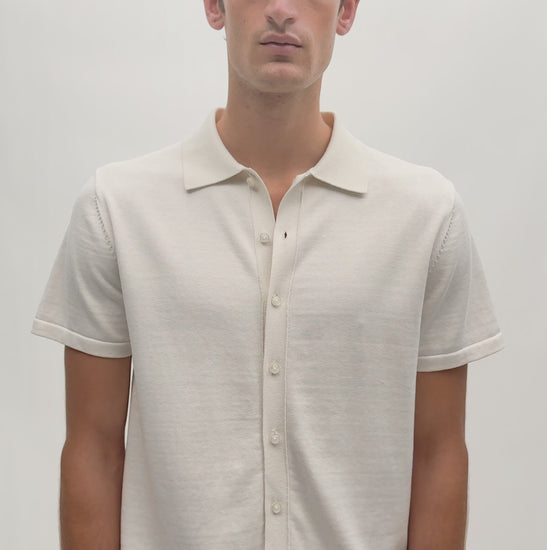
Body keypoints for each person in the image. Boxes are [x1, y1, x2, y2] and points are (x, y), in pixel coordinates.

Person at [31, 1, 504, 549]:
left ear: (346, 11)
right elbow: (93, 448)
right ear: (215, 6)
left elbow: (439, 451)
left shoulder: (426, 215)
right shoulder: (117, 208)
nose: (281, 10)